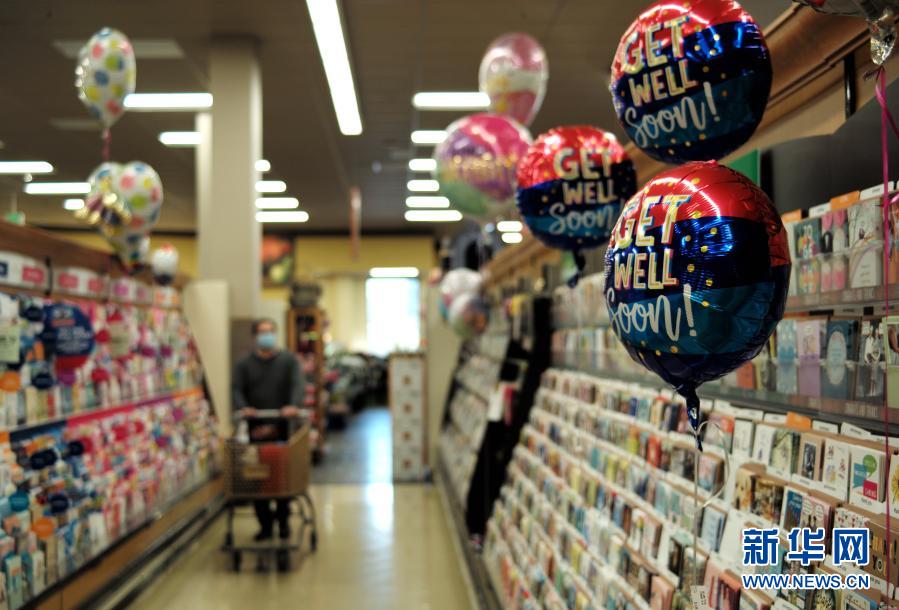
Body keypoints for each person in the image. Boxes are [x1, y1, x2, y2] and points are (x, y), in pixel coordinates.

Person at [232, 317, 304, 540]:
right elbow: (236, 389)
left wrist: (293, 405)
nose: (267, 336)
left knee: (281, 476)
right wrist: (244, 408)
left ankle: (283, 521)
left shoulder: (288, 361)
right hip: (255, 429)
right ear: (255, 336)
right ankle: (264, 524)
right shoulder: (244, 364)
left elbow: (298, 384)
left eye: (270, 331)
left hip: (283, 429)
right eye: (263, 332)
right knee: (258, 477)